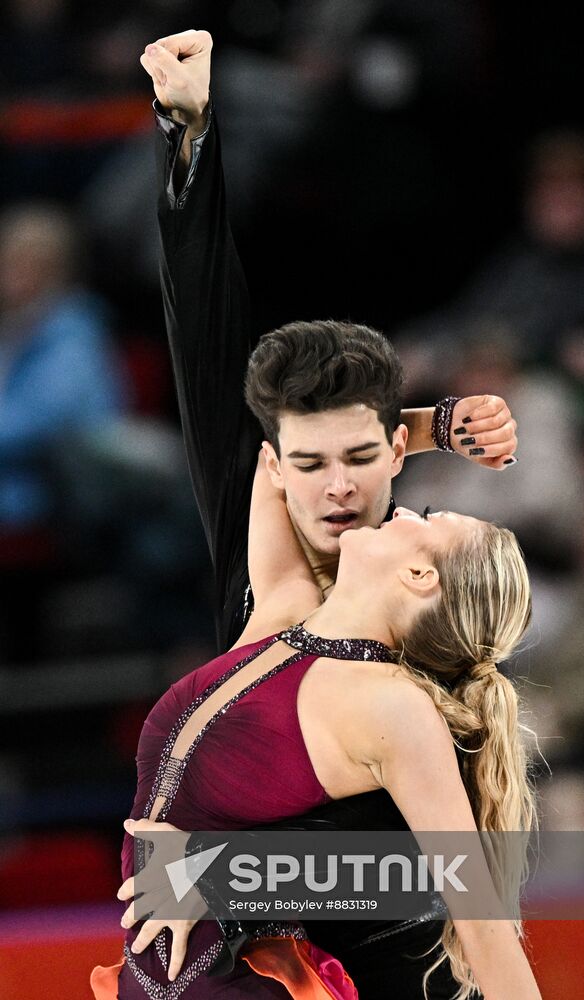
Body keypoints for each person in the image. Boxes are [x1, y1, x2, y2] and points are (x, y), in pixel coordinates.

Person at [113, 27, 521, 999]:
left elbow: (442, 889)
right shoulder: (276, 566)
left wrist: (226, 878)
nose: (336, 489)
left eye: (361, 462)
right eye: (308, 465)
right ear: (277, 467)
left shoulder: (414, 646)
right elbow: (204, 330)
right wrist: (188, 133)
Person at [93, 446, 541, 999]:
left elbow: (475, 912)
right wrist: (430, 430)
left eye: (426, 519)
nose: (402, 509)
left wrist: (222, 876)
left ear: (421, 574)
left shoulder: (394, 706)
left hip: (244, 983)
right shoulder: (284, 608)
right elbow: (280, 449)